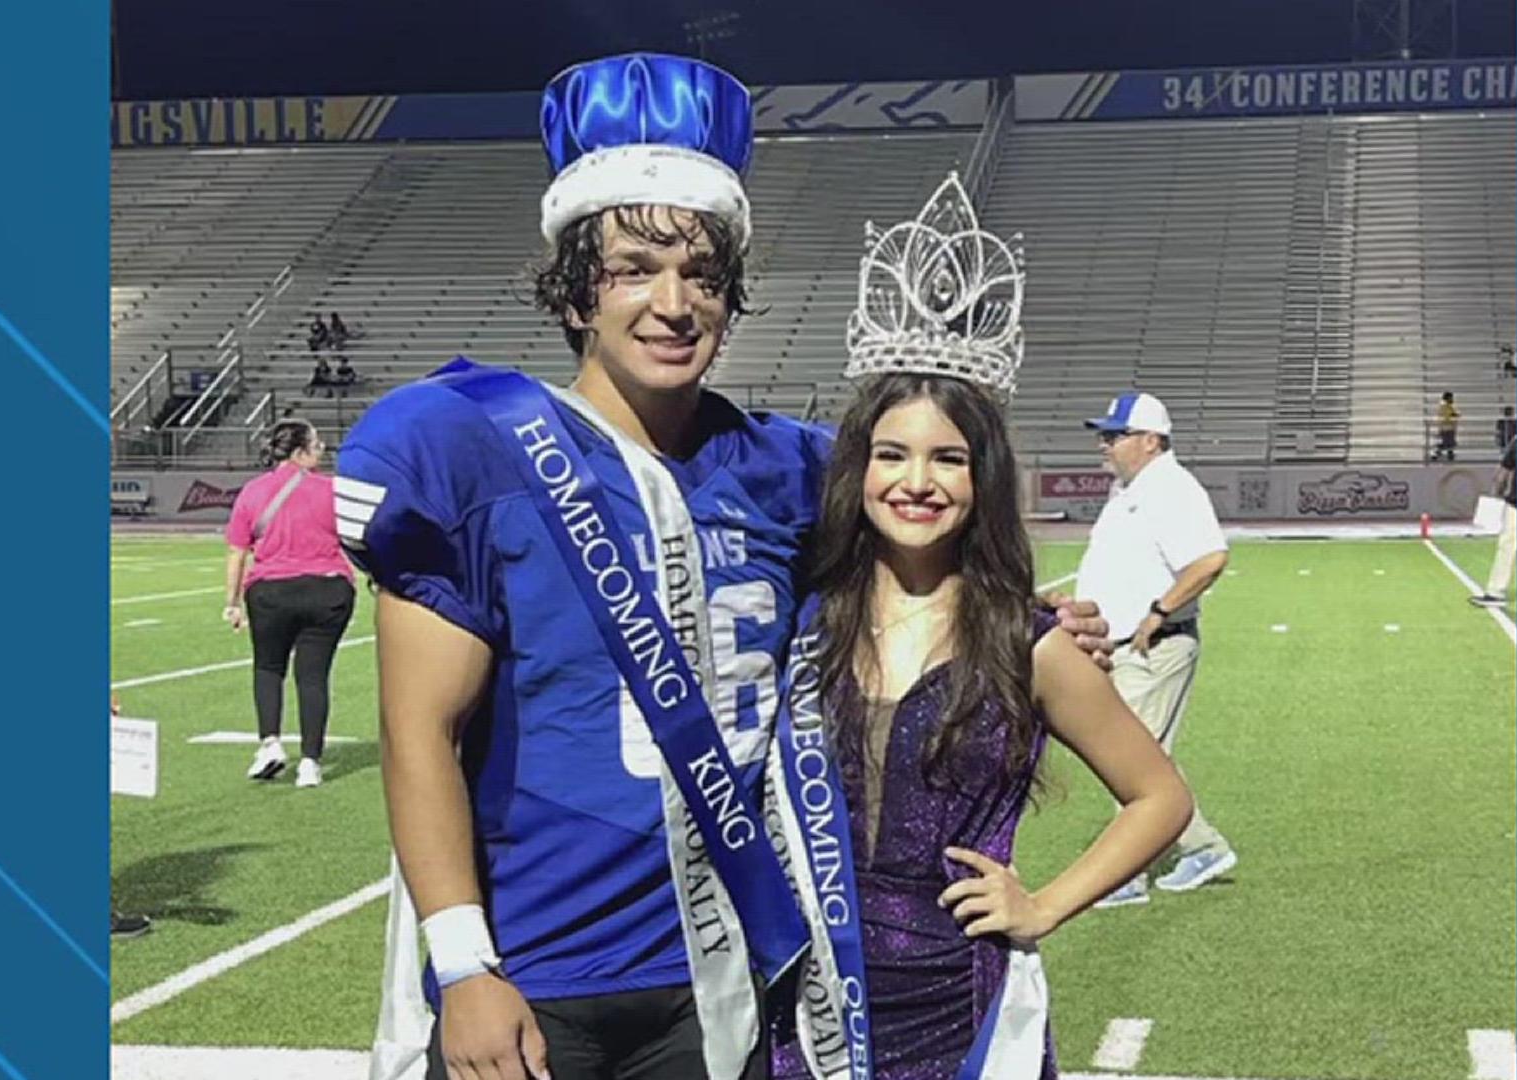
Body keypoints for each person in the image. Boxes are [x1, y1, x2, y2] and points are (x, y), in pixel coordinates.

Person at [341, 56, 1113, 1080]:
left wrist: (1035, 621)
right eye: (634, 270)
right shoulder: (472, 450)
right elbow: (417, 731)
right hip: (538, 974)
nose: (674, 304)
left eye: (703, 275)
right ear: (576, 292)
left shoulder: (788, 469)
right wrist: (464, 965)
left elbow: (917, 566)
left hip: (734, 976)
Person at [770, 178, 1193, 1080]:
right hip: (806, 999)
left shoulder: (1030, 642)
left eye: (946, 458)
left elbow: (1161, 799)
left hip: (957, 996)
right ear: (858, 469)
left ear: (981, 479)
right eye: (891, 454)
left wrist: (1041, 905)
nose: (916, 481)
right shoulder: (803, 620)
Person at [1068, 392, 1239, 906]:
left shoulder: (1171, 490)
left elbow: (1209, 559)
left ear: (1150, 440)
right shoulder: (1131, 489)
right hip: (1122, 646)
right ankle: (1202, 847)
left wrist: (1158, 612)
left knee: (1130, 761)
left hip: (1154, 647)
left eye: (1115, 435)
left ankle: (1127, 875)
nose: (1105, 444)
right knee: (1143, 758)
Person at [223, 419, 358, 789]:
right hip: (327, 589)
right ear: (300, 451)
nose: (323, 448)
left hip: (270, 591)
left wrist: (231, 602)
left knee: (268, 668)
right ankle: (310, 762)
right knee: (313, 675)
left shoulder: (252, 491)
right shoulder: (332, 490)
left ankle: (270, 743)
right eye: (316, 443)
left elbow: (237, 551)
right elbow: (356, 538)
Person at [1471, 436, 1517, 608]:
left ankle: (1496, 591)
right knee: (1507, 546)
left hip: (1516, 503)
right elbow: (1504, 470)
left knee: (1507, 547)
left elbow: (1503, 472)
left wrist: (1495, 490)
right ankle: (1496, 591)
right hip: (1516, 502)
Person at [1432, 391, 1460, 462]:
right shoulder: (1444, 406)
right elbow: (1447, 415)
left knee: (1449, 443)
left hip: (1449, 427)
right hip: (1446, 428)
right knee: (1447, 443)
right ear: (1448, 398)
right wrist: (1454, 415)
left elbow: (1452, 414)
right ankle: (1436, 454)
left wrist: (1455, 415)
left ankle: (1447, 454)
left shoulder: (1448, 406)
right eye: (1451, 398)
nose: (1452, 399)